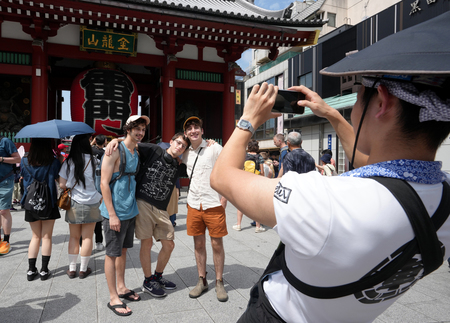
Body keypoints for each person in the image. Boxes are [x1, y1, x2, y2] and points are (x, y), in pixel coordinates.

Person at [210, 13, 450, 320]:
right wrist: (332, 115)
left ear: (383, 102)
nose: (352, 111)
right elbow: (379, 170)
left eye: (358, 98)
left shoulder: (328, 201)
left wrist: (249, 120)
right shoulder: (442, 195)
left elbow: (223, 176)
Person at [100, 115, 149, 316]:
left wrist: (117, 139)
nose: (140, 132)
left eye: (143, 129)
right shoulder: (114, 151)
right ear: (128, 129)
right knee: (112, 254)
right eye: (136, 128)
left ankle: (121, 286)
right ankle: (113, 297)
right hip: (115, 211)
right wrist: (112, 214)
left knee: (123, 250)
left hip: (129, 209)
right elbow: (104, 183)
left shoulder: (135, 149)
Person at [133, 132, 189, 298]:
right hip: (143, 201)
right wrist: (116, 142)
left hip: (161, 208)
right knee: (147, 242)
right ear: (171, 142)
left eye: (183, 146)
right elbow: (132, 144)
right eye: (177, 143)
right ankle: (148, 280)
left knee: (169, 244)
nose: (179, 147)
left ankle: (158, 275)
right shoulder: (155, 150)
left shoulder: (178, 164)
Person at [182, 116, 228, 302]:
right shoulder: (184, 152)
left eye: (196, 127)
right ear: (185, 133)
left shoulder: (214, 148)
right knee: (198, 244)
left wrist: (224, 198)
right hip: (193, 203)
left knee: (217, 244)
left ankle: (219, 281)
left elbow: (228, 169)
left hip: (213, 203)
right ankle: (202, 280)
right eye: (189, 128)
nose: (193, 130)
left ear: (202, 130)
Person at [59, 134, 103, 279]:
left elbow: (62, 185)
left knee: (74, 236)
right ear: (87, 144)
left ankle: (72, 269)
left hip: (74, 203)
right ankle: (83, 269)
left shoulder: (68, 162)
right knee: (88, 237)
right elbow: (101, 183)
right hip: (92, 202)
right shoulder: (95, 161)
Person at [21, 139, 61, 280]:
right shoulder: (54, 162)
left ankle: (31, 270)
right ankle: (44, 270)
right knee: (46, 236)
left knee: (35, 236)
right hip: (48, 202)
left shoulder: (25, 161)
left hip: (31, 202)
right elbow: (59, 179)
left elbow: (23, 177)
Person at [233, 139, 266, 233]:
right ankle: (258, 226)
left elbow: (239, 169)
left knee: (241, 204)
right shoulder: (259, 157)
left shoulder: (244, 156)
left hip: (244, 182)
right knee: (257, 205)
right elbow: (262, 171)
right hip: (255, 182)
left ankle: (238, 225)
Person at [0, 136, 20, 254]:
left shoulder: (5, 141)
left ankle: (6, 240)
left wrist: (1, 159)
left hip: (5, 180)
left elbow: (18, 159)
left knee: (3, 211)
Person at [91, 134, 106, 251]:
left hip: (85, 189)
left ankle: (82, 245)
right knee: (97, 216)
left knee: (84, 221)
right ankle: (99, 242)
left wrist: (92, 143)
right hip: (99, 186)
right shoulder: (103, 154)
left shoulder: (87, 151)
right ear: (105, 141)